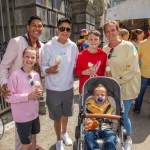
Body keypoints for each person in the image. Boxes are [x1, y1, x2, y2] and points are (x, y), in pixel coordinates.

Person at [0, 15, 44, 150]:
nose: (37, 28)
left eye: (40, 26)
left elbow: (39, 69)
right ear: (28, 27)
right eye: (34, 25)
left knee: (32, 134)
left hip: (33, 98)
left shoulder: (41, 46)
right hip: (17, 94)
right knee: (22, 138)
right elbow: (3, 65)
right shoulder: (17, 42)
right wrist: (4, 84)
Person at [41, 18, 78, 150]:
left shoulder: (73, 46)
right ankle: (58, 140)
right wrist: (49, 70)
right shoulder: (48, 46)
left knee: (66, 114)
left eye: (68, 29)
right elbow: (42, 66)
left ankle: (64, 133)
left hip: (68, 87)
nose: (65, 31)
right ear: (57, 29)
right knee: (56, 116)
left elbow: (76, 64)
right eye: (62, 28)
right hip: (53, 88)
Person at [103, 20, 141, 150]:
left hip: (127, 86)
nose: (110, 33)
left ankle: (128, 138)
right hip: (111, 88)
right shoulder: (105, 49)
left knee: (123, 115)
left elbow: (132, 68)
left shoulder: (128, 46)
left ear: (118, 30)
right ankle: (117, 135)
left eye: (113, 30)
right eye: (107, 31)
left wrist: (116, 80)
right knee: (113, 113)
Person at [6, 47, 42, 150]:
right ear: (22, 57)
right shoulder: (15, 75)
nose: (29, 59)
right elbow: (9, 97)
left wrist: (39, 93)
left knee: (34, 137)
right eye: (27, 56)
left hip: (34, 114)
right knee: (26, 144)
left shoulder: (36, 75)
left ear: (36, 60)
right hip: (22, 117)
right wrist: (28, 96)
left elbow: (39, 90)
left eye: (33, 57)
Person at [85, 84, 117, 150]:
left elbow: (114, 119)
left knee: (111, 138)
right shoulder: (90, 105)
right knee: (88, 137)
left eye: (102, 95)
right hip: (93, 128)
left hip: (106, 127)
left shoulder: (110, 107)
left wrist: (114, 129)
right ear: (93, 97)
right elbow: (85, 116)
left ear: (106, 97)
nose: (100, 96)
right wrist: (88, 121)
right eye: (97, 95)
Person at [75, 29, 107, 94]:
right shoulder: (80, 55)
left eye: (96, 39)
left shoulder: (103, 55)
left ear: (99, 41)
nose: (93, 41)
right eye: (90, 39)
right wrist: (84, 72)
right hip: (84, 89)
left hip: (98, 89)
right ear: (86, 41)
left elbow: (103, 71)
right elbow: (76, 71)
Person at [134, 26, 150, 113]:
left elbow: (138, 57)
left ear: (148, 30)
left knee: (141, 91)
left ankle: (137, 109)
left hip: (144, 71)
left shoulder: (142, 43)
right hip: (144, 71)